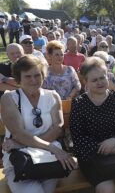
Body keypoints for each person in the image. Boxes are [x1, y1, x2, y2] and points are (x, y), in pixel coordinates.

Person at [1, 55, 77, 193]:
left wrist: (21, 143)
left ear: (43, 75)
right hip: (19, 158)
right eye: (27, 76)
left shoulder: (52, 96)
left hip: (49, 158)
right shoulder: (9, 98)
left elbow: (57, 129)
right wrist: (53, 148)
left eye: (37, 75)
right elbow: (19, 133)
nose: (33, 80)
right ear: (19, 78)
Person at [69, 59, 115, 193]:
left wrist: (114, 141)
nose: (100, 82)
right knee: (107, 189)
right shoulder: (79, 104)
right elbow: (78, 139)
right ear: (85, 82)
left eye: (102, 77)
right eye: (94, 80)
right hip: (92, 156)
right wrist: (106, 149)